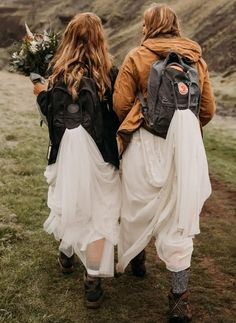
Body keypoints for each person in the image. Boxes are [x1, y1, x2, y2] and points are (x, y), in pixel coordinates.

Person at [113, 3, 215, 322]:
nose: (142, 29)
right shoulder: (195, 59)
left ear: (151, 26)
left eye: (145, 24)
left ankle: (138, 258)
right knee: (179, 220)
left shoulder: (137, 56)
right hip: (183, 150)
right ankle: (178, 300)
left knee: (136, 205)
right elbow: (208, 109)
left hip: (146, 144)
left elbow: (119, 104)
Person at [33, 12, 121, 309]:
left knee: (71, 202)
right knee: (99, 215)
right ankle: (92, 280)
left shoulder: (56, 74)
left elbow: (52, 116)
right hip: (103, 156)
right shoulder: (110, 74)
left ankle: (67, 253)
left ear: (69, 38)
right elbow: (118, 114)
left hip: (65, 155)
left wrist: (40, 94)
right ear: (99, 39)